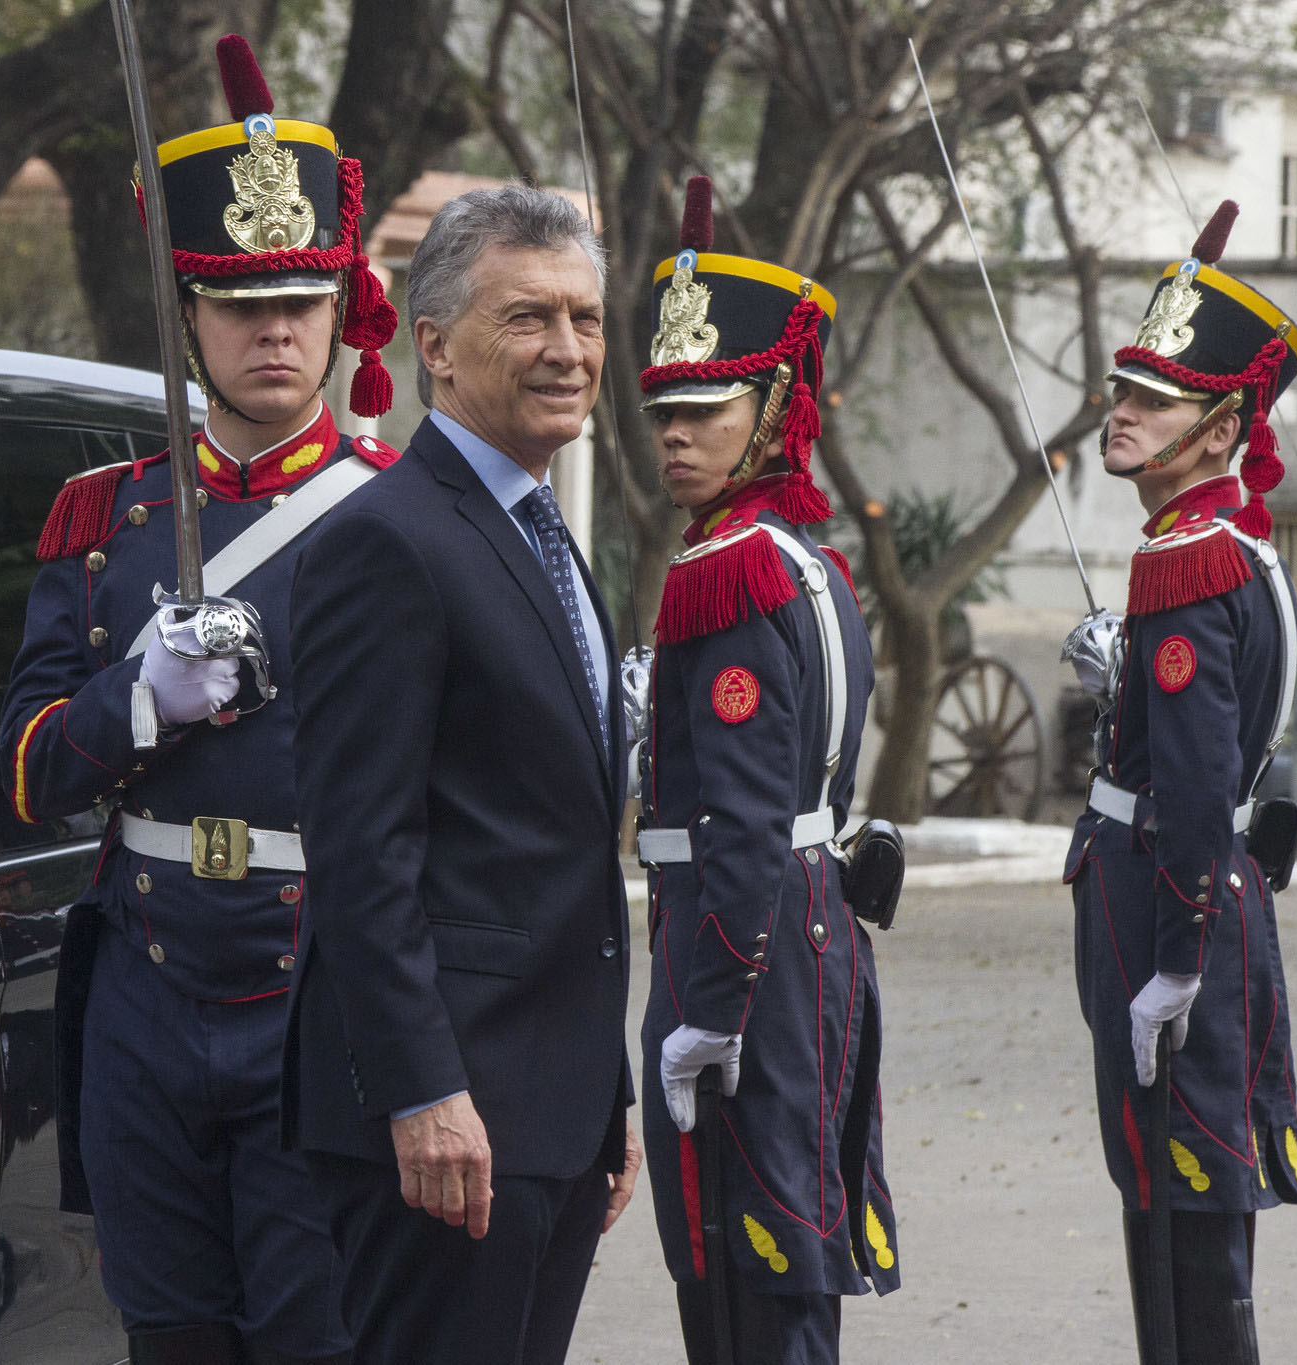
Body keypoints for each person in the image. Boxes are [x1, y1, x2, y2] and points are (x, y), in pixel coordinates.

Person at [0, 35, 399, 1365]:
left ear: (344, 309)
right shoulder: (102, 520)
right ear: (187, 315)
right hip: (149, 988)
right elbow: (20, 772)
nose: (272, 329)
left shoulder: (402, 518)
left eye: (298, 299)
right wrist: (138, 701)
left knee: (312, 1339)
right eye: (237, 303)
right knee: (170, 1338)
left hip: (323, 984)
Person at [284, 184, 639, 1365]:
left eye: (585, 319)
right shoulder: (387, 541)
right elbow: (359, 853)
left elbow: (557, 845)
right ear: (431, 345)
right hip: (447, 1123)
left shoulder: (540, 530)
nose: (567, 350)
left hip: (552, 1111)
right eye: (527, 317)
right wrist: (420, 1090)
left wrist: (609, 1090)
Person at [627, 177, 897, 1365]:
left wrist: (711, 1007)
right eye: (665, 409)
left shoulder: (724, 573)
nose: (677, 431)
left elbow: (738, 817)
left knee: (749, 1265)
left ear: (777, 400)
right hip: (811, 926)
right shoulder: (809, 562)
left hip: (744, 950)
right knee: (787, 1250)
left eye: (707, 405)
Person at [1061, 201, 1297, 1363]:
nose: (1122, 410)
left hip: (1168, 902)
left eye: (1152, 399)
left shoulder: (1183, 553)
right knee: (1178, 1199)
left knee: (1185, 1213)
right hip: (1198, 899)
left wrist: (1173, 958)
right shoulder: (1229, 544)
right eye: (1124, 387)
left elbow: (1202, 785)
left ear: (1220, 429)